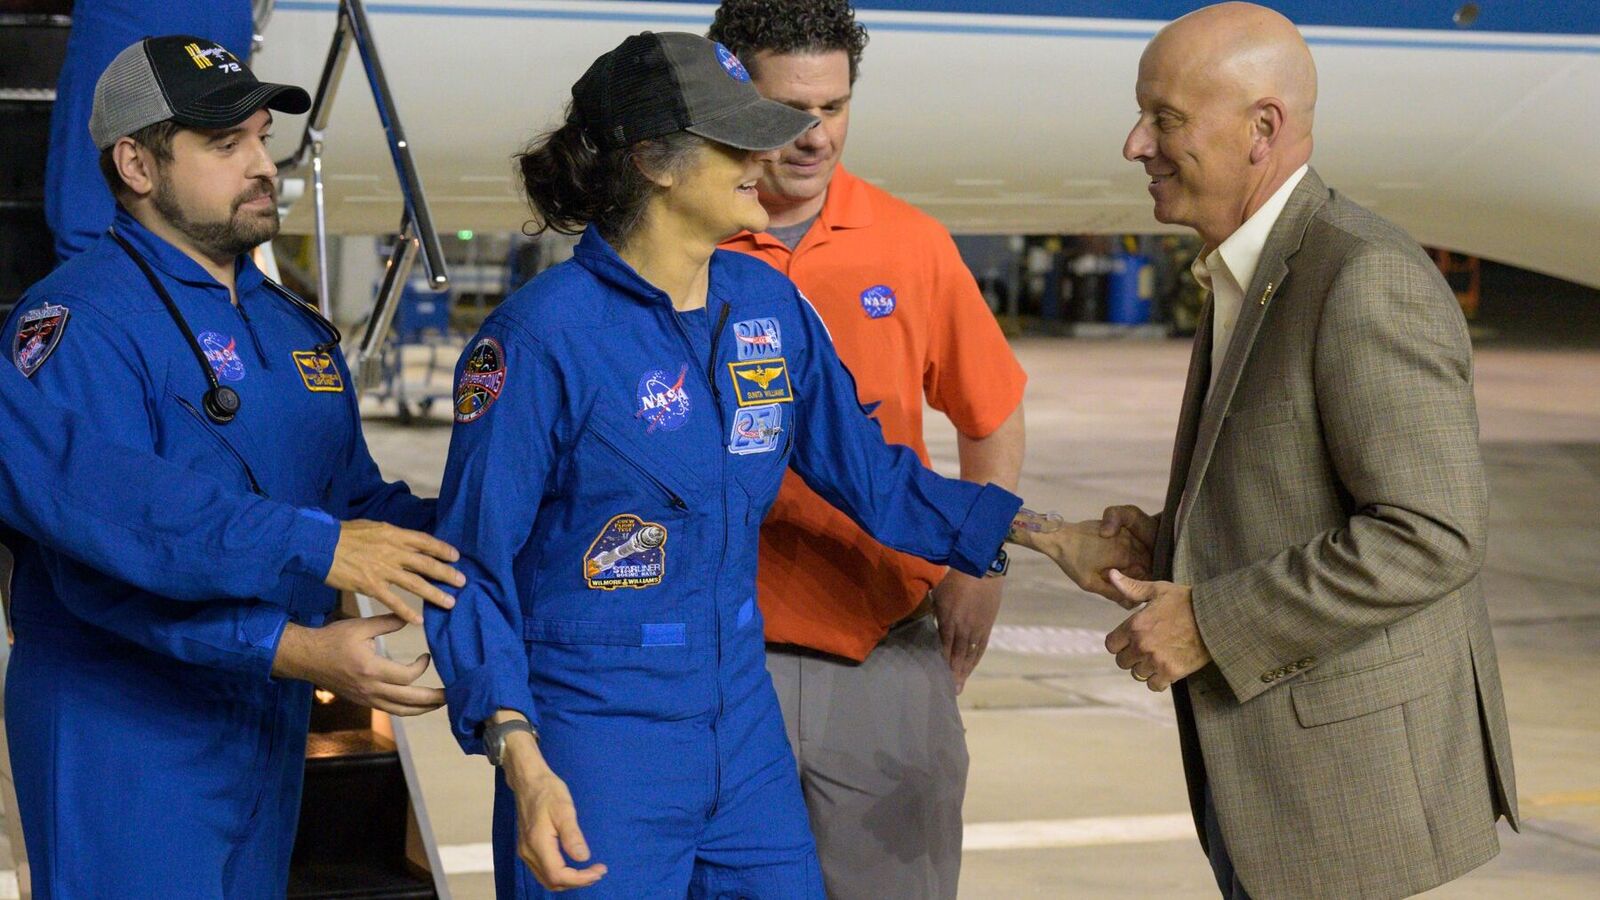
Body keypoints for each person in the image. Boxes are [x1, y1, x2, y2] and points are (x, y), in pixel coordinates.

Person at [424, 31, 1137, 899]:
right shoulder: (541, 339)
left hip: (742, 724)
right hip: (599, 735)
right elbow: (471, 567)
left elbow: (873, 478)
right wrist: (519, 754)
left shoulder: (767, 306)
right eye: (736, 140)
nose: (765, 157)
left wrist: (1047, 536)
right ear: (652, 162)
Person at [0, 36, 452, 897]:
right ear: (136, 164)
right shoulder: (77, 325)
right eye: (224, 144)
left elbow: (354, 504)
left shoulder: (293, 329)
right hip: (124, 734)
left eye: (262, 140)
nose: (263, 166)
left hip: (262, 719)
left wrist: (488, 521)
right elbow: (100, 550)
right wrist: (295, 627)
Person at [1097, 4, 1518, 898]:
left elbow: (1432, 534)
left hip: (1348, 798)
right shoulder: (1250, 269)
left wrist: (1209, 621)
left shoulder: (1363, 276)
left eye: (1165, 119)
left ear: (1263, 129)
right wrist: (1168, 542)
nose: (1137, 144)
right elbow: (1296, 489)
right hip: (1273, 783)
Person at [707, 3, 1042, 895]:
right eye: (788, 111)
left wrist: (980, 569)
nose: (816, 136)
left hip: (883, 647)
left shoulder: (910, 244)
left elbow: (991, 411)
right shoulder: (682, 248)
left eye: (834, 107)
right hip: (719, 654)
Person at [0, 359, 463, 620]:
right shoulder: (92, 322)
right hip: (130, 717)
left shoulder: (289, 325)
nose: (268, 180)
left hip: (271, 715)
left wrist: (469, 531)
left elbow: (349, 497)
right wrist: (284, 644)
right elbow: (97, 514)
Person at [44, 0, 255, 261]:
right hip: (224, 13)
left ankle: (91, 280)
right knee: (219, 172)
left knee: (96, 189)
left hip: (140, 12)